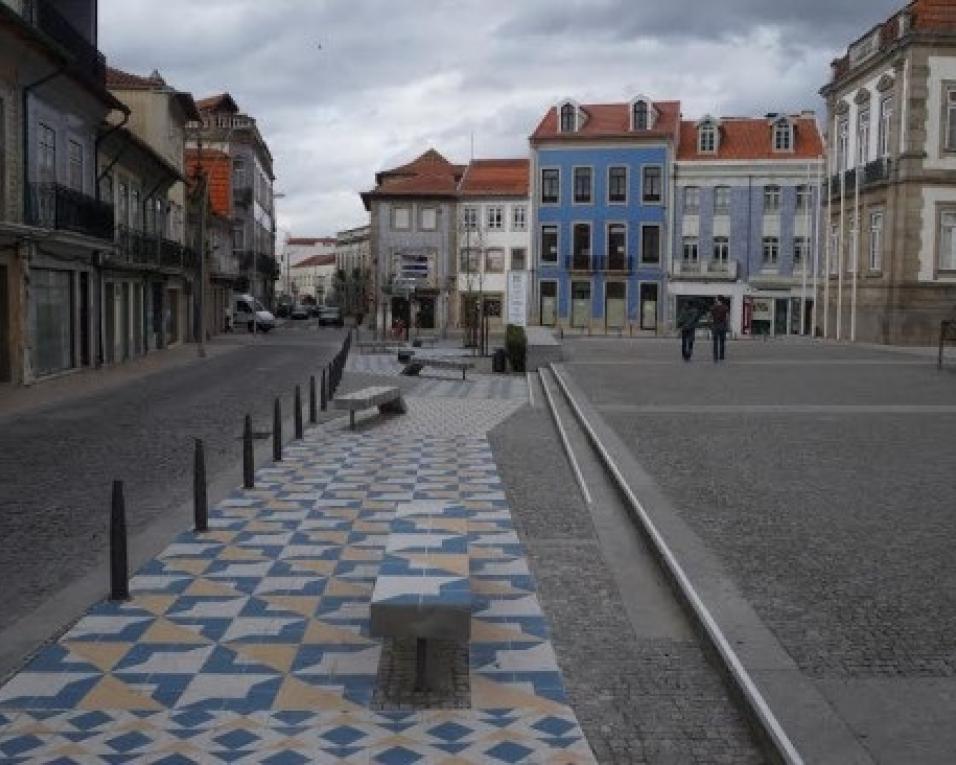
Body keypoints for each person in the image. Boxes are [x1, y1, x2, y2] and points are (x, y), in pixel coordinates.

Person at [710, 295, 729, 362]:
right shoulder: (725, 307)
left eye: (716, 298)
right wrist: (727, 326)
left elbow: (711, 318)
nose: (715, 299)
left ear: (718, 300)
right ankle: (721, 356)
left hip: (715, 326)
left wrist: (711, 325)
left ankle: (715, 356)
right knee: (722, 342)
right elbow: (727, 318)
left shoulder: (713, 307)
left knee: (715, 342)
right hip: (722, 326)